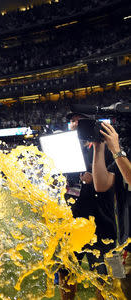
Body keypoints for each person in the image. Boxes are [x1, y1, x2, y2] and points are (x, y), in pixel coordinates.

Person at [58, 113, 116, 300]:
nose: (74, 124)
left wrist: (94, 179)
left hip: (100, 220)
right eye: (72, 121)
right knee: (66, 269)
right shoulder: (64, 149)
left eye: (78, 120)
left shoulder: (104, 146)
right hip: (71, 219)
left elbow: (114, 180)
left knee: (103, 272)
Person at [92, 121, 131, 299]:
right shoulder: (124, 156)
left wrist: (116, 149)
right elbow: (101, 184)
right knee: (121, 291)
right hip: (124, 244)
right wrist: (98, 149)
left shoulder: (121, 154)